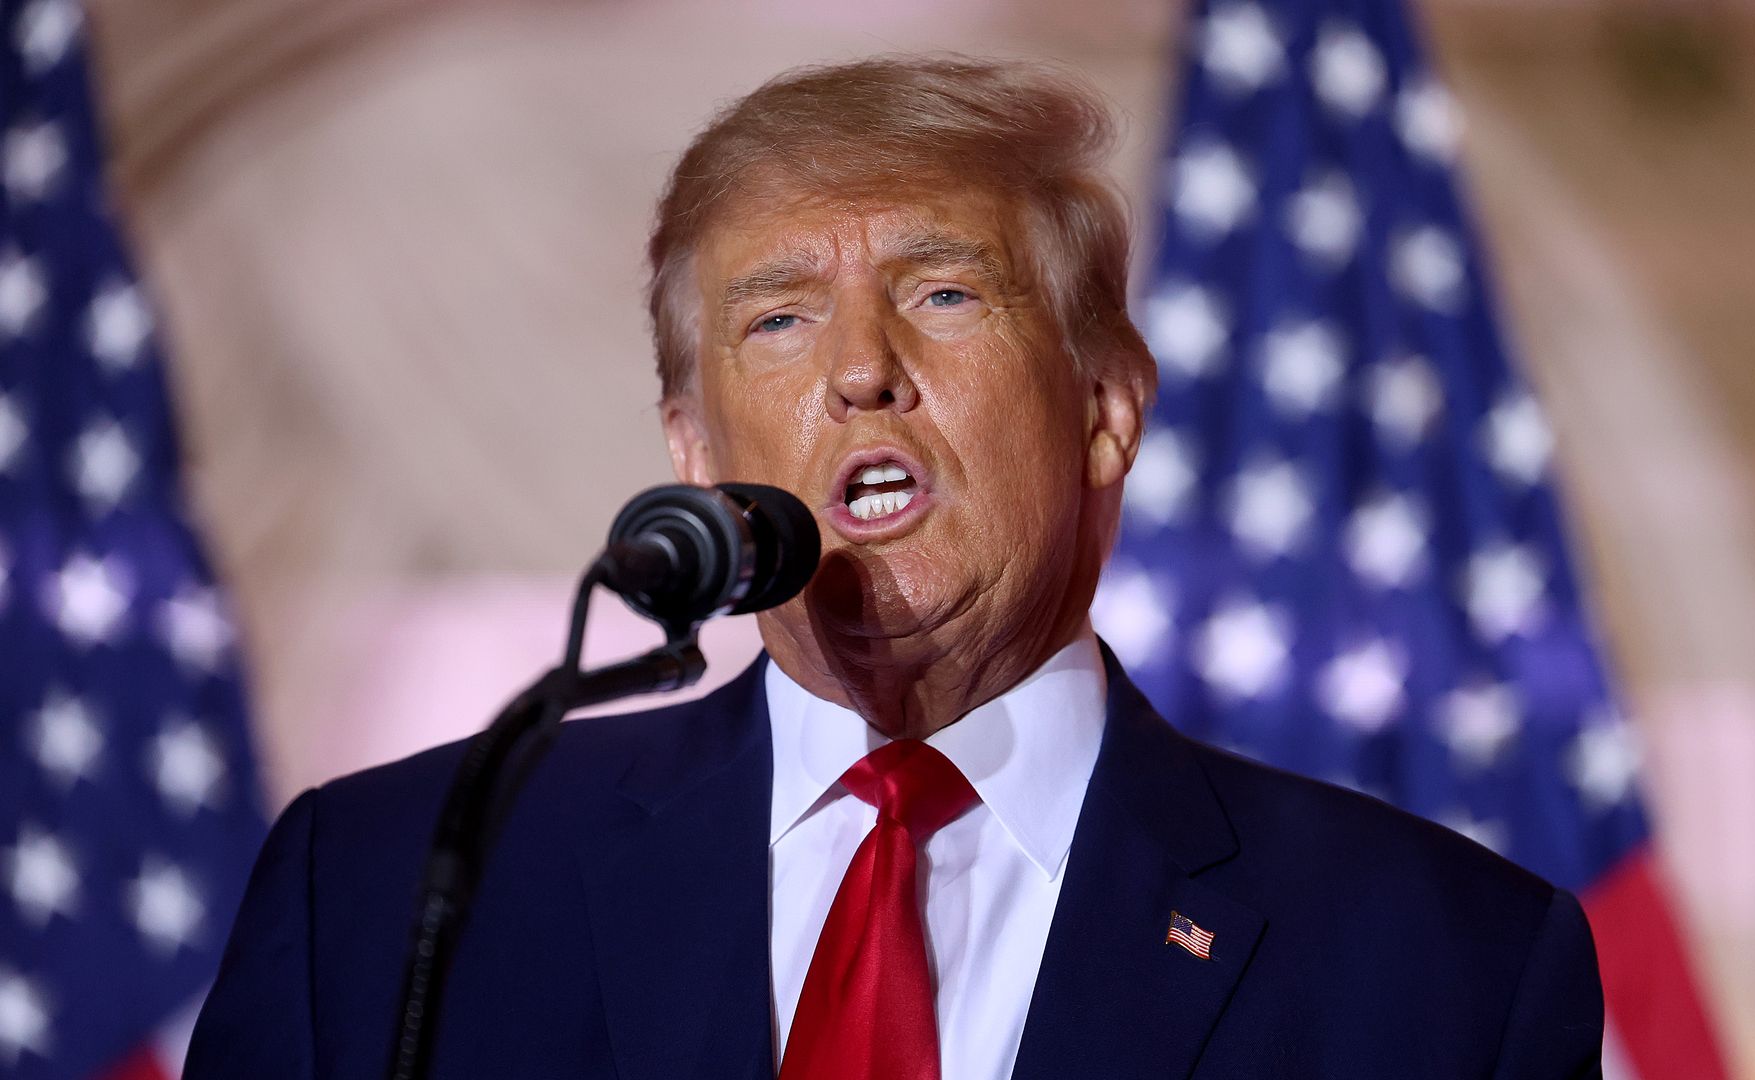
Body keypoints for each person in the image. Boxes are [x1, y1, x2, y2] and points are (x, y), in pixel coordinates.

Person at [184, 56, 1603, 1079]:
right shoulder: (388, 894)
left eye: (941, 293)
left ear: (1106, 409)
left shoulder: (1440, 967)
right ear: (694, 444)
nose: (864, 370)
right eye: (780, 320)